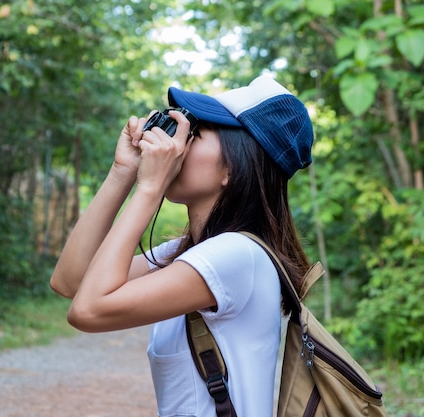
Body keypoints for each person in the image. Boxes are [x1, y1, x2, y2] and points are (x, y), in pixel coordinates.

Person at [50, 75, 314, 417]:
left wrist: (149, 188)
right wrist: (123, 171)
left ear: (233, 168)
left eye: (195, 132)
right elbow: (71, 282)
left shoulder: (236, 255)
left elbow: (88, 310)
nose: (177, 142)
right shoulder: (194, 253)